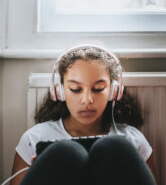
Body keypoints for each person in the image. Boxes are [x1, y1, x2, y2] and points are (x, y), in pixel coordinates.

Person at [8, 44, 156, 185]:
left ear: (113, 91)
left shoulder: (133, 140)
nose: (87, 100)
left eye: (98, 89)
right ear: (59, 91)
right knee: (65, 152)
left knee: (115, 146)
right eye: (75, 89)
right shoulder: (34, 139)